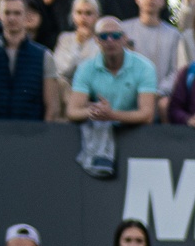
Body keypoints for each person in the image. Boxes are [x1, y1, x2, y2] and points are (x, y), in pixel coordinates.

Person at [66, 14, 159, 157]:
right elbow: (72, 111)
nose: (110, 40)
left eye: (115, 36)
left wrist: (111, 115)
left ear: (124, 39)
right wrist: (96, 112)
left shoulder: (145, 67)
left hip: (137, 134)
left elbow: (147, 115)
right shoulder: (85, 68)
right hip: (98, 134)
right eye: (104, 36)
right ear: (96, 40)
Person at [0, 0, 62, 117]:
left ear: (25, 16)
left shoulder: (45, 56)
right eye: (7, 13)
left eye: (17, 13)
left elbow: (52, 107)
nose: (12, 18)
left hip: (31, 127)